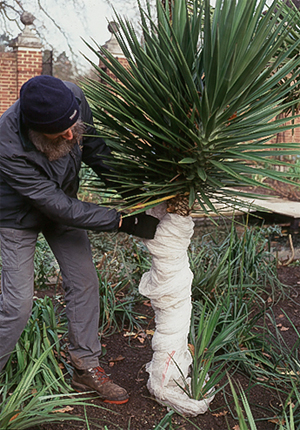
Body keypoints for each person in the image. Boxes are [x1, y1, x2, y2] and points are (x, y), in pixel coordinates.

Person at [0, 75, 159, 404]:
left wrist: (137, 195)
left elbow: (97, 150)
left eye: (73, 125)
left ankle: (85, 369)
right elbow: (54, 205)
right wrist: (120, 220)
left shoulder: (72, 97)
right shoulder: (6, 143)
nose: (72, 135)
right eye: (61, 134)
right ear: (35, 131)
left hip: (65, 203)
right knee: (18, 305)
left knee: (85, 282)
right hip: (16, 216)